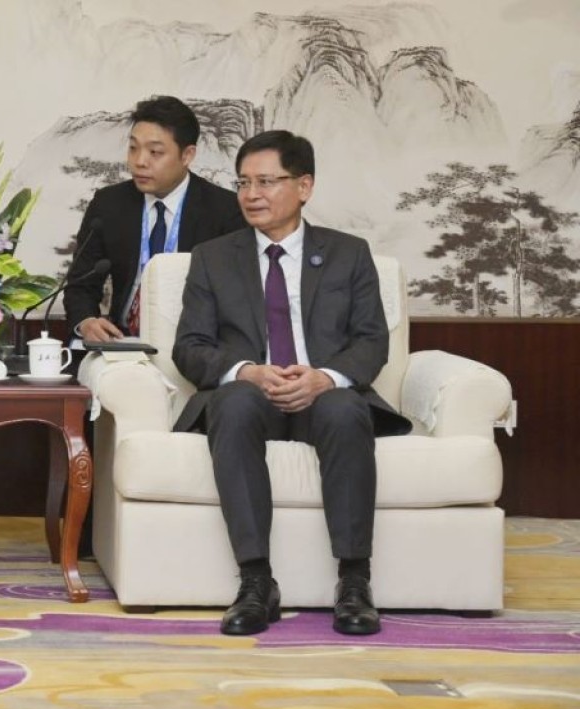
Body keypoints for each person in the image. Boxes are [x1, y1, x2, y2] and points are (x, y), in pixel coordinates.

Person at [170, 130, 412, 636]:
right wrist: (248, 371)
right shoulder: (214, 257)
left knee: (346, 408)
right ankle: (257, 582)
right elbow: (190, 345)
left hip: (324, 396)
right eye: (242, 183)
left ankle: (354, 580)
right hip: (251, 395)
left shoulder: (349, 253)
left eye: (265, 182)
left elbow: (371, 342)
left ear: (304, 186)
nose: (251, 195)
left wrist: (326, 377)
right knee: (231, 405)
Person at [64, 95, 246, 342]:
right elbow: (80, 283)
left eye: (155, 152)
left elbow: (235, 297)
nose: (139, 161)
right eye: (133, 148)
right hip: (123, 341)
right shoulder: (109, 205)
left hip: (196, 345)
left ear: (187, 155)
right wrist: (85, 322)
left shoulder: (224, 210)